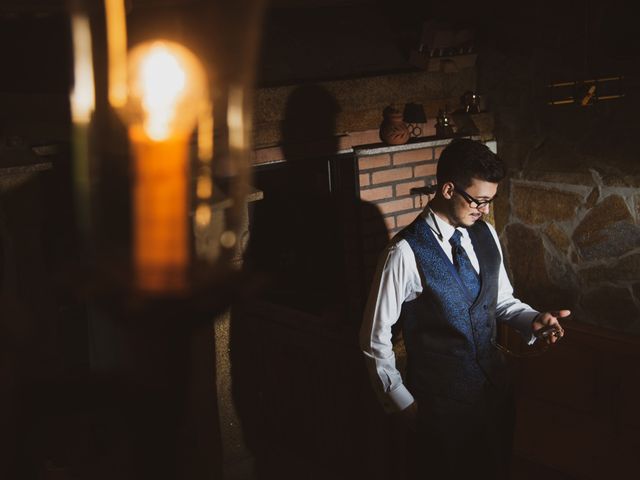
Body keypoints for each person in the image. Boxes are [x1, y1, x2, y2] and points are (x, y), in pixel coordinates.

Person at [359, 139, 569, 479]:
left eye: (490, 201)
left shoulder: (485, 233)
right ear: (447, 189)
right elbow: (374, 338)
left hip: (495, 399)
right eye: (478, 200)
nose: (484, 210)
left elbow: (500, 300)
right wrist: (402, 403)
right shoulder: (403, 253)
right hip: (439, 411)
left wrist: (533, 320)